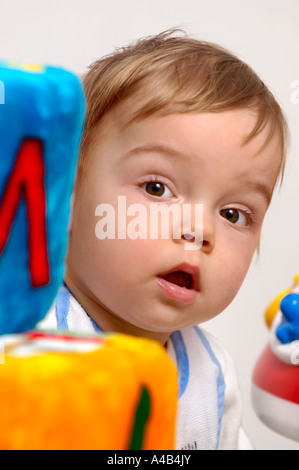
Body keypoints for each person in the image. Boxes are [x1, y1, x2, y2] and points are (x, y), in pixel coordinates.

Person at [55, 29, 288, 449]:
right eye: (157, 188)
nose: (199, 231)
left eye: (234, 214)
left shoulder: (213, 375)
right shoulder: (23, 339)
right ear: (66, 193)